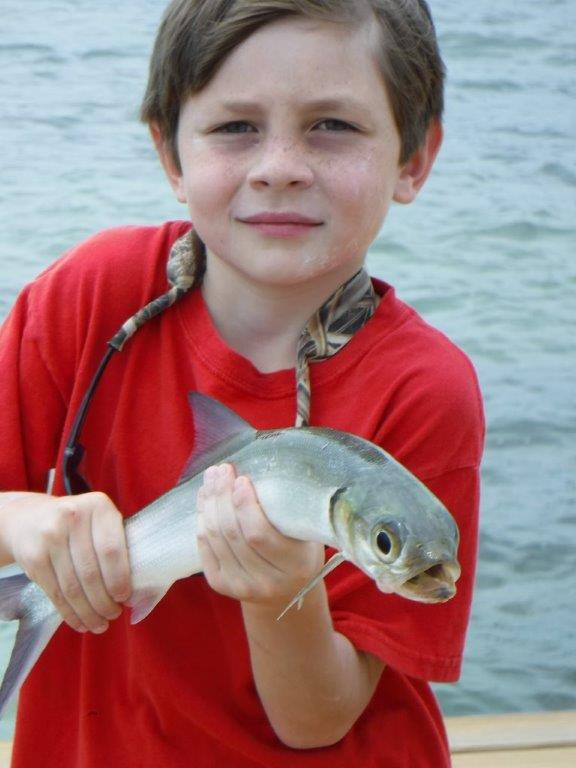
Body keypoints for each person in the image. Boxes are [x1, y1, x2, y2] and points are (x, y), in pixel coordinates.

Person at [0, 1, 484, 766]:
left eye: (334, 125)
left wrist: (277, 595)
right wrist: (20, 519)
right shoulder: (87, 298)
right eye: (236, 127)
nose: (280, 165)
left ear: (414, 159)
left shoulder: (424, 387)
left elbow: (317, 721)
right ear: (170, 155)